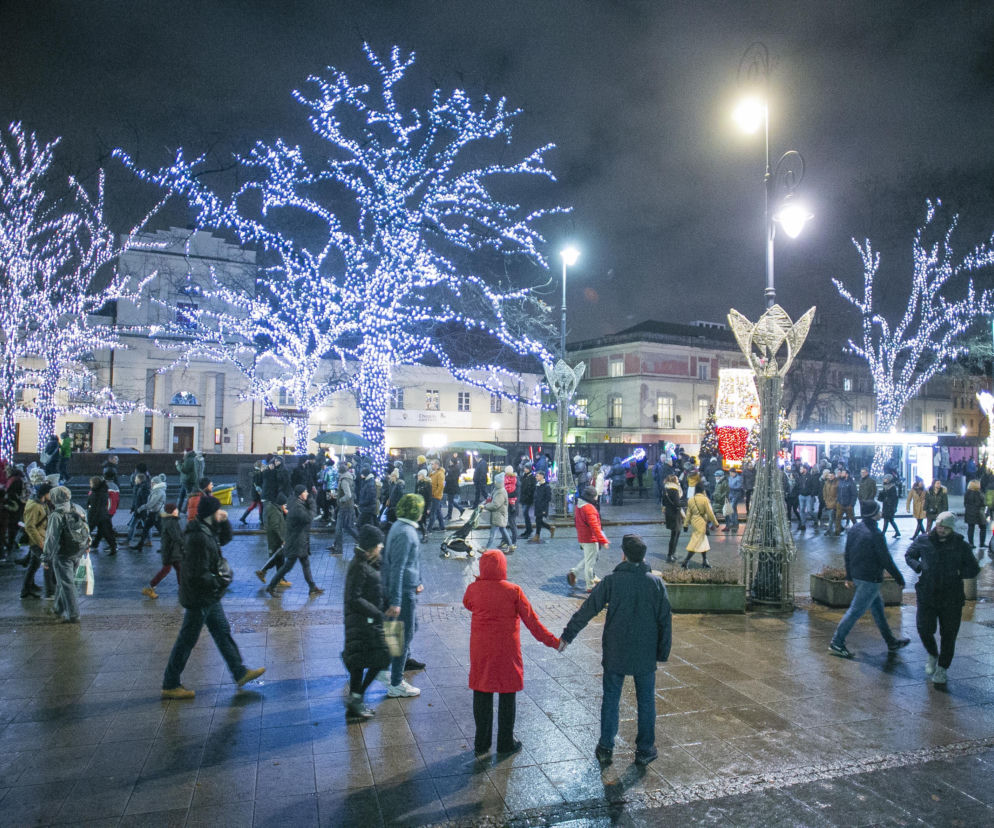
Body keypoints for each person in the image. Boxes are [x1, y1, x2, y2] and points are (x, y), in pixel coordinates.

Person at [558, 534, 671, 766]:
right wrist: (662, 651)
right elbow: (665, 621)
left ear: (624, 555)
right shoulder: (656, 584)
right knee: (646, 700)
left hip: (615, 650)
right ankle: (645, 749)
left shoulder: (611, 581)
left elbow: (588, 609)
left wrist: (568, 635)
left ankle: (606, 747)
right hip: (645, 651)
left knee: (611, 698)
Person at [161, 495, 266, 699]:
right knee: (187, 640)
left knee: (222, 632)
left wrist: (225, 520)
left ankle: (240, 672)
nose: (221, 512)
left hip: (209, 597)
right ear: (210, 513)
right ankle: (170, 683)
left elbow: (225, 539)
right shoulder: (198, 537)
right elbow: (197, 573)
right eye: (218, 510)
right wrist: (220, 582)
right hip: (199, 597)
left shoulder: (205, 529)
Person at [463, 548, 560, 757]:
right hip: (507, 651)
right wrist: (554, 642)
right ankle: (506, 741)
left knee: (482, 692)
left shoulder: (473, 589)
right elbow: (532, 622)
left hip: (481, 650)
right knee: (507, 695)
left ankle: (482, 743)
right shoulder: (514, 590)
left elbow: (468, 604)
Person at [905, 511, 980, 685]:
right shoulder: (924, 540)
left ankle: (942, 669)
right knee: (924, 628)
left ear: (951, 528)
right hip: (927, 594)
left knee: (949, 634)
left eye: (946, 527)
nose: (941, 530)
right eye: (939, 526)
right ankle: (932, 653)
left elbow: (973, 568)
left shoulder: (960, 544)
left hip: (951, 597)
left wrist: (958, 574)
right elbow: (909, 555)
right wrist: (918, 566)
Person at [828, 500, 910, 659]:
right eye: (879, 511)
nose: (881, 513)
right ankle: (837, 642)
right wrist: (899, 577)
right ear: (874, 514)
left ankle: (891, 641)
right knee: (855, 611)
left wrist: (849, 575)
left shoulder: (855, 529)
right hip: (870, 579)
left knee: (878, 609)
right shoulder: (875, 534)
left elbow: (847, 553)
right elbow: (886, 559)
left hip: (859, 576)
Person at [343, 525, 391, 719]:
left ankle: (355, 700)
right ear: (370, 546)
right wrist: (378, 613)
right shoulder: (359, 566)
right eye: (378, 545)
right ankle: (356, 698)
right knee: (383, 656)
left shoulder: (368, 561)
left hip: (366, 621)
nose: (381, 547)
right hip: (363, 622)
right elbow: (354, 598)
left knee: (359, 661)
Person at [382, 493, 427, 697]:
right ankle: (396, 681)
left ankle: (392, 668)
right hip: (403, 591)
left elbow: (408, 564)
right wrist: (396, 599)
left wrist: (417, 581)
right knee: (403, 633)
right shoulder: (406, 533)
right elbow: (398, 567)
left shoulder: (400, 527)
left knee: (404, 629)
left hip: (408, 587)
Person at [41, 486, 91, 623]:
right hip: (78, 549)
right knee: (64, 582)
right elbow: (86, 526)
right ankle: (58, 608)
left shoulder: (56, 515)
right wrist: (88, 543)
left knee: (67, 584)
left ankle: (74, 614)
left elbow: (51, 538)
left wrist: (45, 557)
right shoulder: (77, 508)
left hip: (63, 553)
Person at [264, 485, 323, 596]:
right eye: (305, 492)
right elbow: (309, 517)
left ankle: (312, 587)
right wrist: (312, 503)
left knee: (305, 564)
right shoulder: (297, 507)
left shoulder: (297, 502)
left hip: (300, 541)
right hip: (296, 542)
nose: (307, 494)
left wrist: (309, 501)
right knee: (288, 566)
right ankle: (271, 586)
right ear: (300, 494)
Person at [568, 486, 609, 592]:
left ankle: (574, 572)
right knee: (590, 564)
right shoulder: (589, 508)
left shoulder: (579, 506)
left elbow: (577, 522)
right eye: (595, 496)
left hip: (583, 537)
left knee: (589, 558)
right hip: (590, 538)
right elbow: (595, 526)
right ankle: (590, 585)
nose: (596, 498)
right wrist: (603, 540)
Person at [142, 502, 184, 599]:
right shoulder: (171, 522)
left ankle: (182, 589)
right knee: (166, 570)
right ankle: (150, 587)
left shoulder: (170, 520)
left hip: (173, 550)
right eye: (175, 509)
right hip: (170, 551)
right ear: (171, 511)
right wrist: (185, 543)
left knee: (180, 569)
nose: (177, 511)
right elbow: (176, 537)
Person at [21, 482, 55, 599]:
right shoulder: (34, 506)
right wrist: (40, 542)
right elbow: (30, 526)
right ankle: (50, 592)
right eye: (50, 493)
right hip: (37, 541)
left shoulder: (41, 503)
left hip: (41, 538)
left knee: (33, 565)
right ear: (44, 494)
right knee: (48, 563)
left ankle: (25, 591)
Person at [681, 481, 716, 569]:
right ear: (703, 490)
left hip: (694, 521)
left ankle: (705, 561)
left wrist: (685, 525)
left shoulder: (691, 499)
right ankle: (686, 561)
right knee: (696, 541)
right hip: (702, 522)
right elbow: (710, 513)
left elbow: (688, 513)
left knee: (703, 540)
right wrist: (716, 523)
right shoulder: (705, 499)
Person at [130, 473, 168, 550]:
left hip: (156, 514)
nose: (151, 484)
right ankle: (140, 545)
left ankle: (166, 547)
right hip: (153, 514)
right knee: (146, 529)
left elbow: (151, 504)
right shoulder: (156, 490)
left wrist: (140, 508)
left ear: (156, 483)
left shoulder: (158, 492)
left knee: (161, 531)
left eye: (152, 482)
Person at [87, 475, 117, 556]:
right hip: (103, 515)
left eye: (90, 483)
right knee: (106, 532)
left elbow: (94, 506)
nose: (90, 484)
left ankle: (81, 547)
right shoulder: (101, 491)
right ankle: (112, 547)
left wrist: (92, 517)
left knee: (87, 531)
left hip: (97, 516)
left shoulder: (96, 493)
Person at [483, 471, 512, 551]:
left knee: (493, 533)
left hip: (499, 515)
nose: (494, 482)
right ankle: (511, 546)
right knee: (503, 530)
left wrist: (485, 506)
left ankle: (487, 548)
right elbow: (491, 498)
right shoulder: (497, 489)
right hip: (498, 515)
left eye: (495, 481)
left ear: (499, 482)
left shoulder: (501, 492)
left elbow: (495, 505)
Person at [528, 470, 555, 543]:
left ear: (542, 476)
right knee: (538, 520)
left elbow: (548, 498)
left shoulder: (546, 486)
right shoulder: (538, 485)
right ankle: (550, 528)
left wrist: (543, 507)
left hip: (542, 507)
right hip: (537, 506)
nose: (536, 477)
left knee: (538, 520)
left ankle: (537, 535)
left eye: (537, 476)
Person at [662, 474, 683, 562]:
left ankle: (672, 554)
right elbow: (677, 504)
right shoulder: (674, 490)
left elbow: (663, 502)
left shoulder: (665, 489)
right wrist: (684, 504)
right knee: (675, 535)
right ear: (674, 481)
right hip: (676, 514)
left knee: (674, 534)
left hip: (669, 513)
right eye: (677, 479)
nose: (678, 481)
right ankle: (670, 555)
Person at [239, 460, 265, 525]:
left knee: (258, 505)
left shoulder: (255, 472)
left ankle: (260, 520)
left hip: (255, 492)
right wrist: (260, 492)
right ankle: (244, 518)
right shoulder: (259, 473)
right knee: (257, 506)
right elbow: (258, 484)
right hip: (257, 493)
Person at [964, 479, 987, 548]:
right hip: (978, 513)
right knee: (983, 527)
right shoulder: (979, 493)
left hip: (969, 512)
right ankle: (982, 543)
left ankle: (971, 543)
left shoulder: (967, 493)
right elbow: (982, 503)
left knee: (971, 528)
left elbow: (965, 503)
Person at [878, 474, 901, 539]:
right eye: (884, 478)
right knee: (891, 520)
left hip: (890, 506)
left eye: (886, 479)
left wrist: (894, 507)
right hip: (886, 505)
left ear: (889, 480)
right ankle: (897, 532)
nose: (884, 480)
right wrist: (881, 494)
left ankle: (883, 533)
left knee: (886, 519)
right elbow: (881, 498)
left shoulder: (892, 487)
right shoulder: (885, 486)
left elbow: (894, 498)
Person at [427, 459, 446, 532]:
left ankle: (429, 528)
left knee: (433, 512)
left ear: (437, 465)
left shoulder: (440, 474)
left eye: (432, 464)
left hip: (436, 496)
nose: (431, 465)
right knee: (438, 511)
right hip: (434, 495)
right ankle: (442, 527)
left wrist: (435, 494)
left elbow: (441, 486)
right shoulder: (434, 473)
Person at [518, 462, 536, 538]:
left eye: (526, 468)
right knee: (525, 515)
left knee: (526, 514)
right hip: (523, 498)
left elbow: (531, 489)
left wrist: (528, 496)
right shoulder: (524, 476)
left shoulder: (531, 477)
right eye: (524, 468)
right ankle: (528, 530)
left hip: (528, 499)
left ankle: (529, 530)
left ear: (529, 469)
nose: (524, 469)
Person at [822, 471, 840, 535]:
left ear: (834, 476)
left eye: (831, 476)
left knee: (831, 517)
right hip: (828, 502)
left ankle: (829, 530)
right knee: (833, 517)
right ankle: (840, 528)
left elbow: (839, 493)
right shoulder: (826, 483)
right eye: (829, 476)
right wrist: (825, 499)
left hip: (835, 503)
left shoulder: (837, 483)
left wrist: (836, 500)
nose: (830, 477)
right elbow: (824, 491)